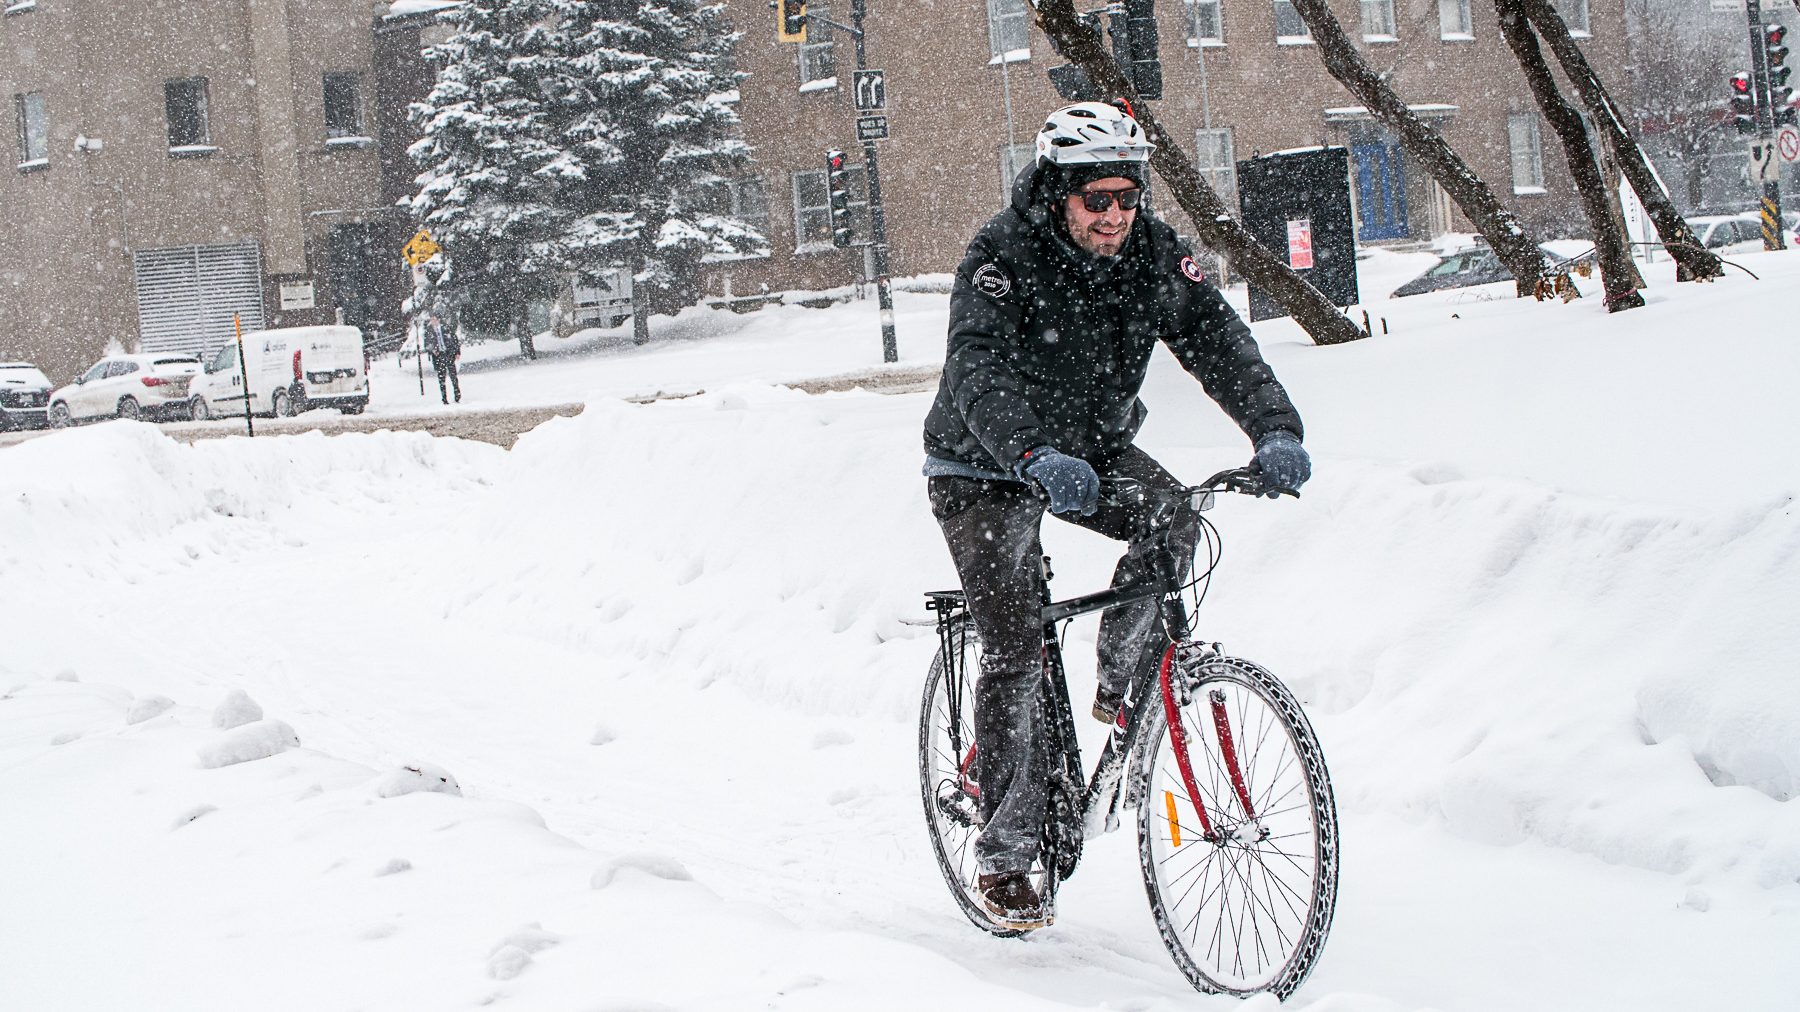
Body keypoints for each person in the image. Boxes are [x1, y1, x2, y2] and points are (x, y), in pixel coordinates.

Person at [920, 101, 1311, 930]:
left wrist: (1276, 429)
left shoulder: (1155, 256)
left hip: (1089, 448)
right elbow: (976, 370)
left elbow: (1219, 340)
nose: (1115, 217)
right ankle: (1006, 852)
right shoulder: (1002, 255)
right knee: (1017, 646)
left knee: (1175, 520)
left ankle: (1117, 680)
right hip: (984, 465)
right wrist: (1028, 456)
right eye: (1097, 200)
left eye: (1127, 199)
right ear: (1060, 196)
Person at [425, 311, 461, 404]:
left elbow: (454, 339)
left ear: (438, 320)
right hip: (438, 357)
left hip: (448, 354)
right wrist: (433, 350)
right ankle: (444, 398)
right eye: (431, 320)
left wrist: (457, 352)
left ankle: (457, 395)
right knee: (441, 378)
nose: (433, 322)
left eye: (434, 319)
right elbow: (427, 344)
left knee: (453, 376)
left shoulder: (446, 328)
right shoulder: (429, 331)